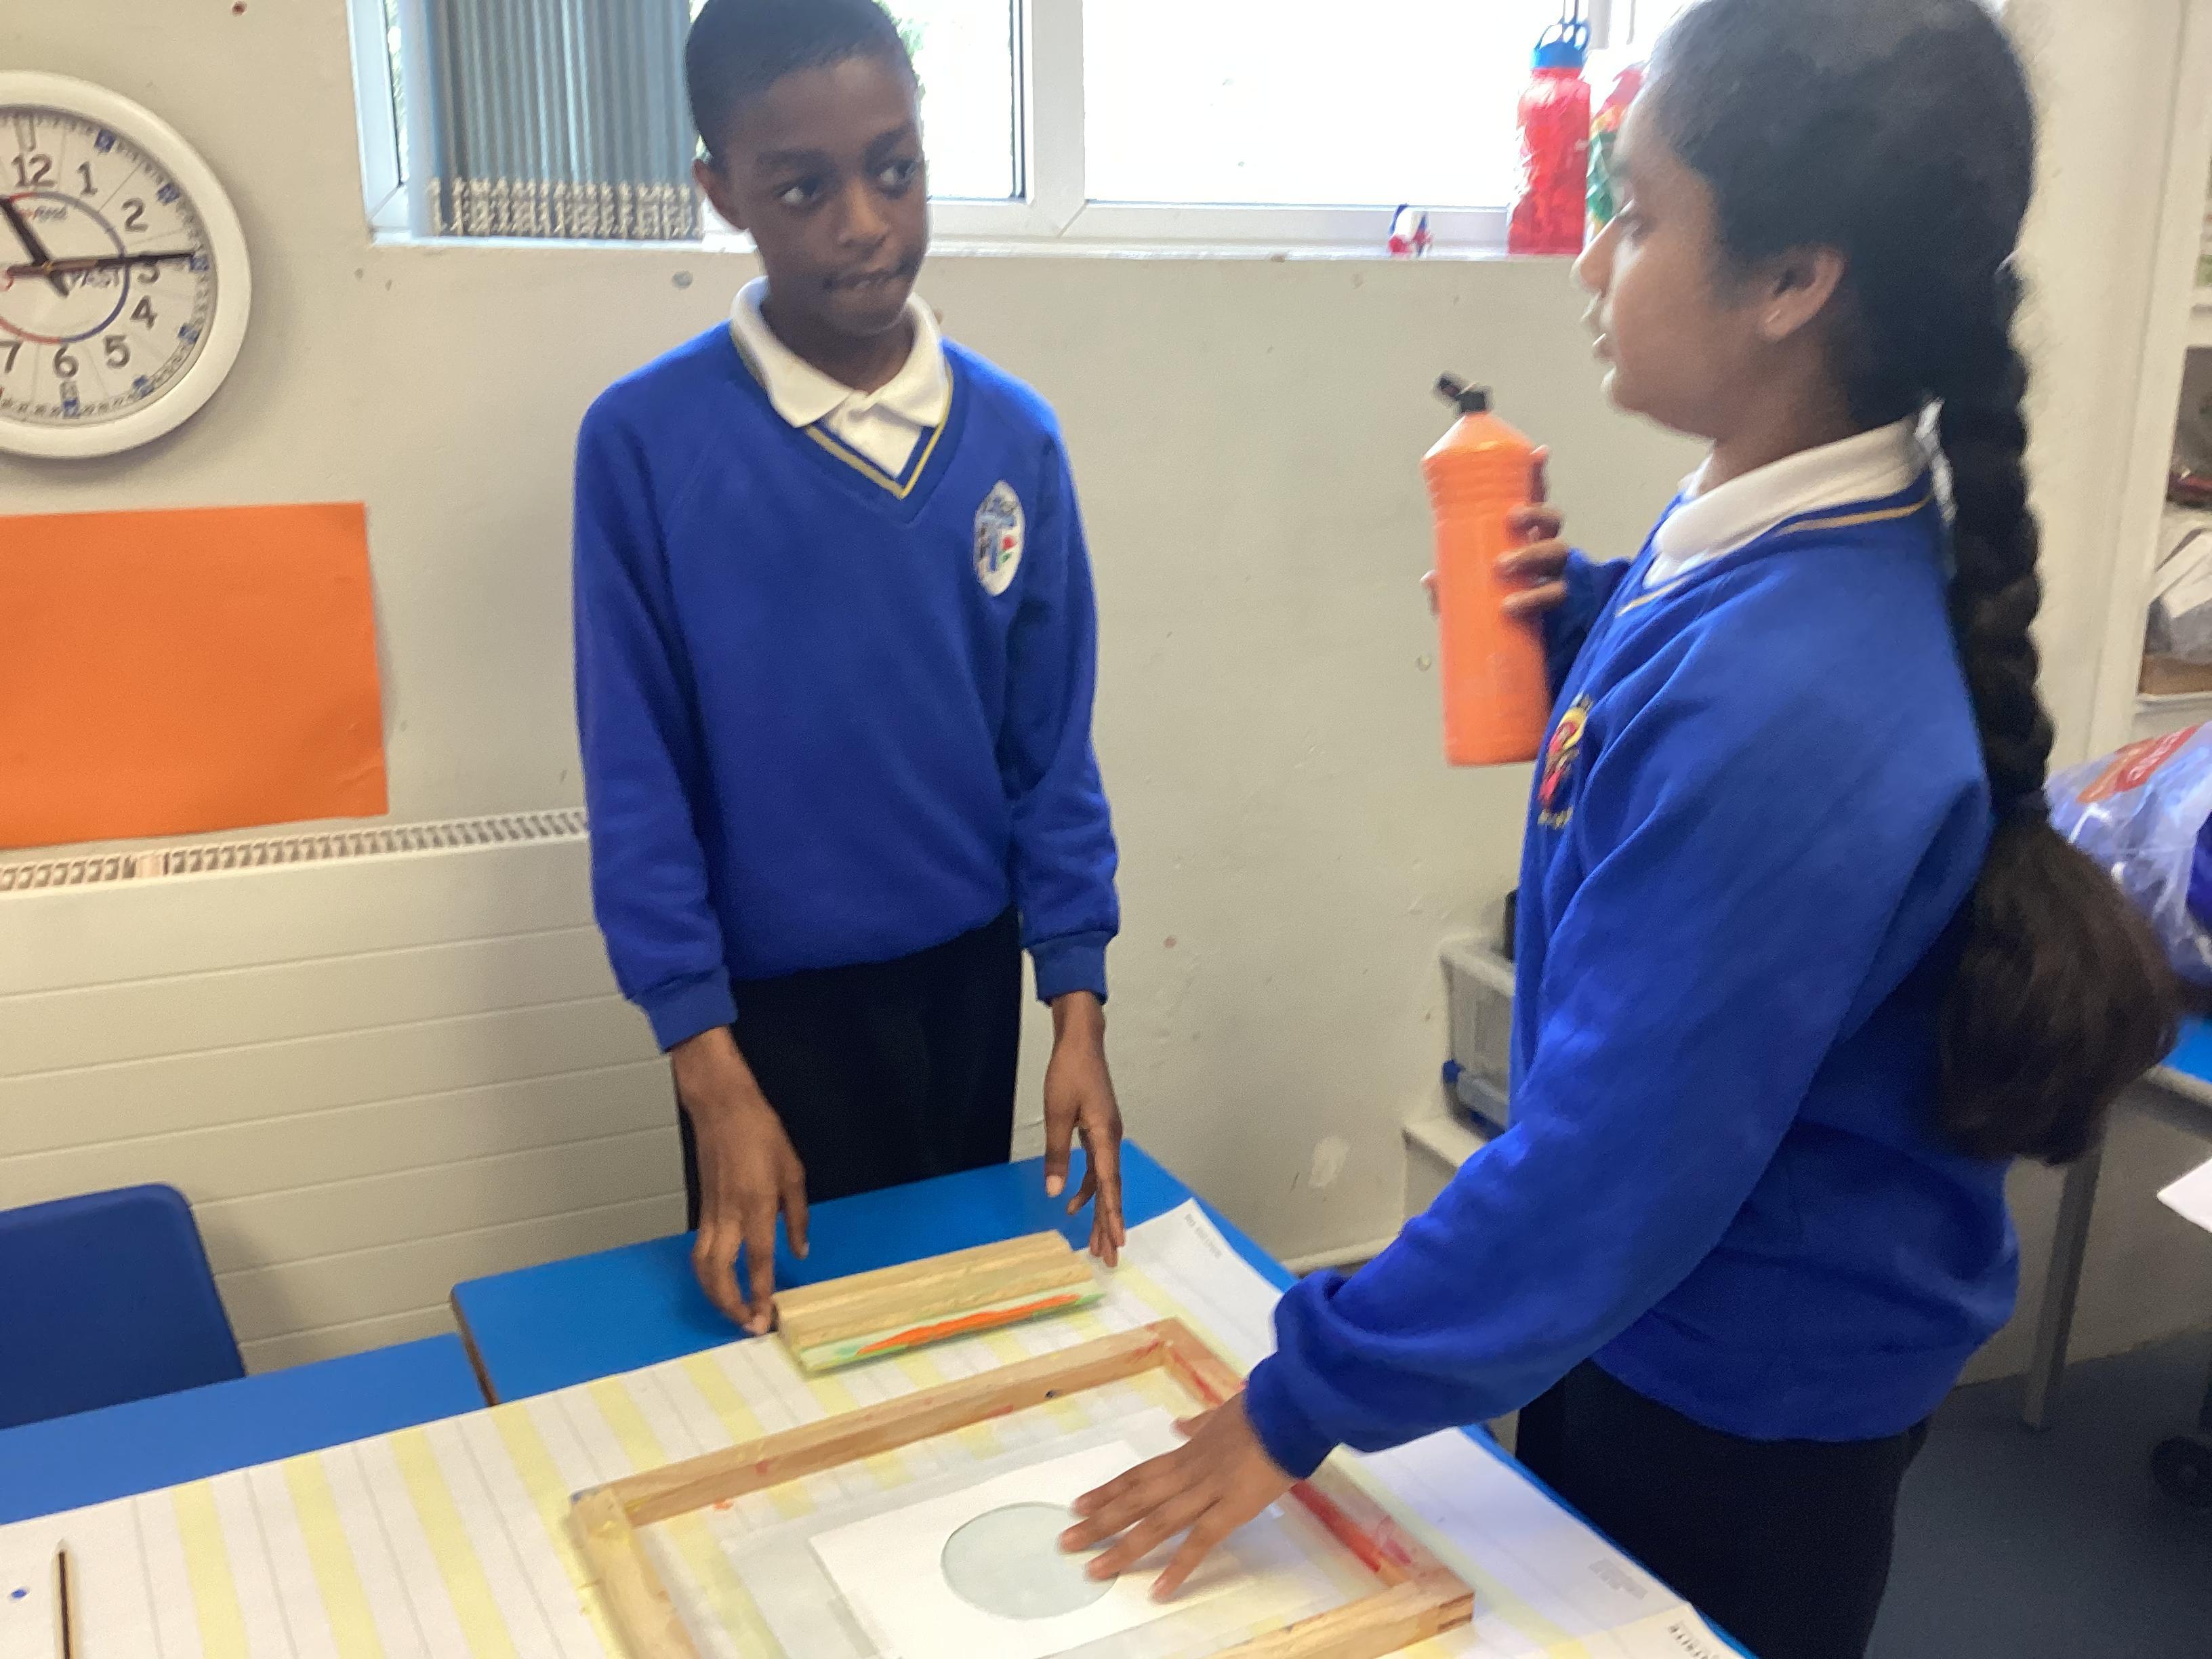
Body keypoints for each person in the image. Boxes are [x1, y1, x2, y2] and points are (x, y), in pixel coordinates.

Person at [1062, 3, 2181, 1655]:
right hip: (1668, 1313)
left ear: (1793, 279)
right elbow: (1719, 694)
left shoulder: (1790, 702)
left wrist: (1293, 1403)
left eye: (1639, 216)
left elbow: (1606, 1169)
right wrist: (1590, 616)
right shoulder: (1774, 527)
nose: (1590, 261)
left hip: (1746, 1398)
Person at [573, 0, 1125, 1339]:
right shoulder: (645, 446)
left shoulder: (1014, 440)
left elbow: (1050, 751)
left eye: (895, 169)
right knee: (786, 1341)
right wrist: (709, 1074)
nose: (865, 224)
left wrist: (1077, 1008)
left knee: (949, 1330)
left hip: (968, 985)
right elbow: (637, 782)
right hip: (764, 1022)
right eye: (803, 189)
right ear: (721, 191)